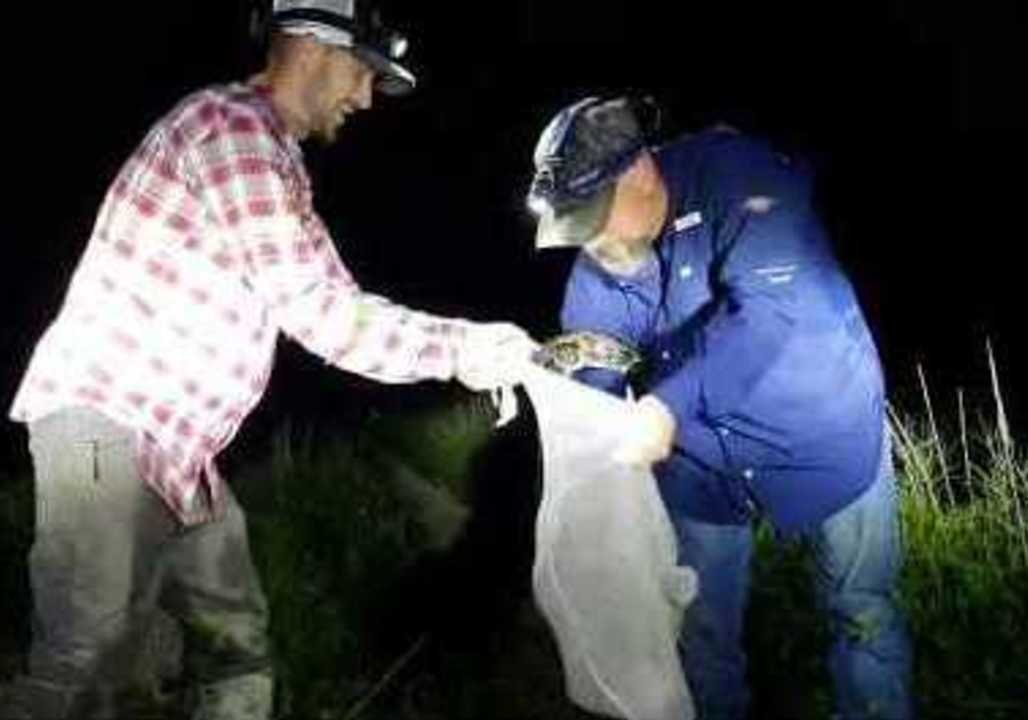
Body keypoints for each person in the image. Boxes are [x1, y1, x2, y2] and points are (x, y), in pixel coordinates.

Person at [0, 2, 534, 718]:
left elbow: (332, 296)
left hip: (179, 457)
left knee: (234, 642)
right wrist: (464, 349)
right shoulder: (233, 128)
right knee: (85, 659)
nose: (367, 97)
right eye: (362, 72)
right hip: (109, 428)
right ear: (312, 45)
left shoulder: (274, 159)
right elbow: (323, 314)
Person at [526, 96, 913, 720]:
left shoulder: (742, 176)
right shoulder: (602, 258)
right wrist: (585, 424)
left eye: (592, 219)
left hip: (822, 431)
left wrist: (663, 408)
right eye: (578, 227)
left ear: (640, 175)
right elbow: (594, 353)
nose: (590, 244)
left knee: (862, 610)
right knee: (705, 638)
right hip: (703, 472)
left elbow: (768, 317)